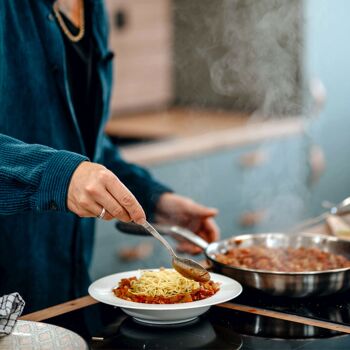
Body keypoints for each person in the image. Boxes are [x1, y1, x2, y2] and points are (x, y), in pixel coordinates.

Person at [0, 0, 219, 313]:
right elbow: (67, 168)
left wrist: (152, 199)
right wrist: (60, 176)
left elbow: (86, 145)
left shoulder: (92, 11)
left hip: (65, 298)